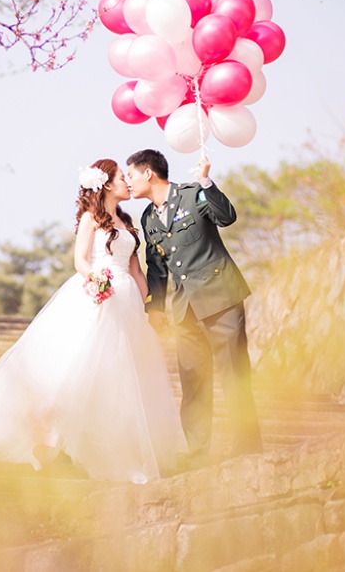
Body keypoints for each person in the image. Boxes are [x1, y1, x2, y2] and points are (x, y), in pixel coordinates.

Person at [0, 159, 185, 483]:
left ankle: (118, 451)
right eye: (121, 178)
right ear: (106, 184)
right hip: (100, 295)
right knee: (82, 369)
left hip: (128, 298)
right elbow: (80, 260)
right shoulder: (92, 218)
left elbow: (135, 270)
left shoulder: (128, 221)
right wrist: (97, 282)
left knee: (127, 378)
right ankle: (49, 444)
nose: (126, 183)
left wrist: (149, 306)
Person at [126, 149, 262, 465]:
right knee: (193, 383)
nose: (129, 182)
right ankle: (199, 453)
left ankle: (248, 448)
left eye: (130, 174)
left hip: (221, 297)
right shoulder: (148, 218)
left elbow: (226, 217)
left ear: (148, 173)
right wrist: (155, 307)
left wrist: (206, 181)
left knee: (233, 375)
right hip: (185, 309)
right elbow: (156, 265)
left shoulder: (193, 194)